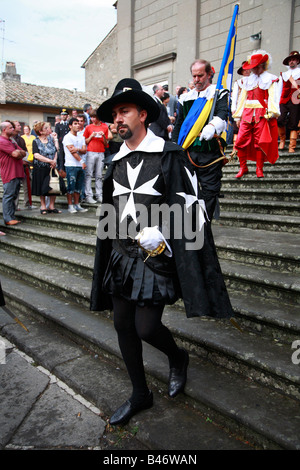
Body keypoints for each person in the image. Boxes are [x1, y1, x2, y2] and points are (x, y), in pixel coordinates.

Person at [90, 78, 234, 426]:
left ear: (143, 114)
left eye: (123, 111)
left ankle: (177, 356)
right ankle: (140, 393)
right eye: (114, 114)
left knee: (145, 327)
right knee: (122, 323)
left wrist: (165, 232)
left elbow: (194, 209)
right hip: (121, 253)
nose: (117, 119)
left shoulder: (170, 155)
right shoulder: (116, 160)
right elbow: (111, 209)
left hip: (156, 258)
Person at [172, 59, 229, 222]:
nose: (196, 79)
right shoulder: (185, 98)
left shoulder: (218, 93)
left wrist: (213, 125)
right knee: (188, 191)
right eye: (194, 76)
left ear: (210, 74)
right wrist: (174, 146)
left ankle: (205, 225)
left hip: (210, 151)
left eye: (200, 75)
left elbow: (222, 113)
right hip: (188, 151)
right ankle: (191, 223)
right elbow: (179, 124)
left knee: (210, 191)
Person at [232, 50, 280, 178]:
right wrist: (238, 115)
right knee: (240, 141)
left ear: (262, 66)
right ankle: (243, 167)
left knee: (259, 142)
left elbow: (273, 97)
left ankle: (259, 168)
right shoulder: (246, 81)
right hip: (247, 113)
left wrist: (271, 112)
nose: (252, 70)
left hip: (262, 114)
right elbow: (242, 98)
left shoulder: (271, 79)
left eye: (255, 67)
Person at [31, 121, 61, 214]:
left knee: (53, 186)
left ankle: (52, 206)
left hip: (51, 167)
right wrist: (49, 161)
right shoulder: (35, 141)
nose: (49, 129)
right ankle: (43, 206)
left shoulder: (51, 139)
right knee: (41, 187)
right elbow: (36, 155)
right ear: (41, 131)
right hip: (40, 167)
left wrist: (54, 161)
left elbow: (56, 150)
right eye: (46, 128)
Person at [0, 121, 26, 225]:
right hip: (9, 172)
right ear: (4, 130)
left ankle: (11, 216)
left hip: (16, 172)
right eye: (11, 128)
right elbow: (15, 154)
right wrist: (18, 153)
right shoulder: (2, 141)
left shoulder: (12, 141)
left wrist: (19, 153)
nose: (13, 129)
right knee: (9, 195)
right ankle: (8, 218)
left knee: (14, 195)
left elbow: (23, 152)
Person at [83, 109, 110, 203]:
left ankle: (99, 195)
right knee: (89, 174)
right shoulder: (88, 127)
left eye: (94, 117)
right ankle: (88, 195)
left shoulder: (104, 127)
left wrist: (103, 136)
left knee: (99, 175)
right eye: (91, 117)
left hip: (101, 152)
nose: (93, 119)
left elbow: (106, 144)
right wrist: (92, 136)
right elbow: (85, 141)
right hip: (90, 152)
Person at [62, 117, 88, 213]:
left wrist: (77, 149)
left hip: (80, 165)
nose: (78, 125)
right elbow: (72, 151)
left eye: (78, 123)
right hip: (71, 165)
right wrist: (81, 161)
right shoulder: (67, 137)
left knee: (78, 186)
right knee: (71, 186)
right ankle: (70, 205)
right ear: (70, 126)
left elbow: (84, 150)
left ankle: (77, 204)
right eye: (75, 123)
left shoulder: (81, 137)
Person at [277, 50, 300, 152]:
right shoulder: (283, 75)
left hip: (296, 99)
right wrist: (276, 103)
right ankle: (282, 140)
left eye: (294, 60)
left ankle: (292, 145)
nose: (292, 62)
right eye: (290, 60)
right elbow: (279, 89)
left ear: (297, 61)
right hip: (284, 99)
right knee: (280, 119)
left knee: (293, 122)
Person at [231, 62, 251, 149]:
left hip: (250, 108)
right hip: (239, 109)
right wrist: (234, 109)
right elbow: (234, 97)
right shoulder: (238, 83)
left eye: (248, 69)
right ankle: (235, 149)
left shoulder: (255, 82)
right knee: (237, 129)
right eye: (244, 69)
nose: (246, 71)